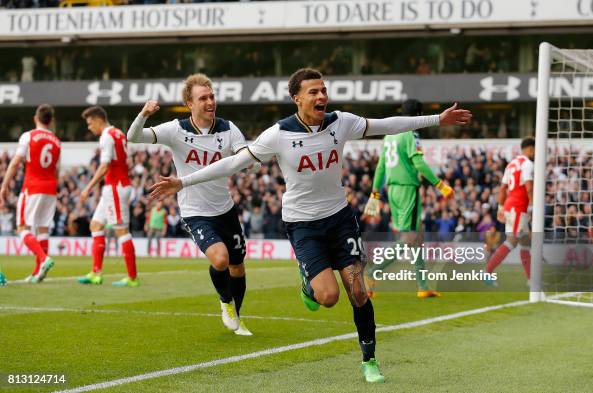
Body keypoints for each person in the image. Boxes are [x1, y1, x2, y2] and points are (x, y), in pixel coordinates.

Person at [148, 68, 471, 383]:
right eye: (313, 92)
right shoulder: (278, 134)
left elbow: (386, 124)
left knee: (358, 291)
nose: (321, 96)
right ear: (296, 99)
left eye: (323, 90)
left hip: (340, 219)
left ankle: (369, 360)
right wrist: (182, 181)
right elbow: (232, 163)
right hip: (303, 224)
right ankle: (308, 282)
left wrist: (436, 120)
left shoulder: (340, 123)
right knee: (328, 297)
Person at [127, 73, 255, 336]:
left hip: (226, 209)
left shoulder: (229, 129)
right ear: (190, 103)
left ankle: (238, 317)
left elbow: (245, 158)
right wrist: (144, 114)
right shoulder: (176, 130)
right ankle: (225, 303)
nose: (210, 102)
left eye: (212, 96)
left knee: (238, 267)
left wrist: (249, 160)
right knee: (220, 260)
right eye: (203, 98)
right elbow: (134, 136)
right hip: (195, 211)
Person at [363, 99, 454, 299]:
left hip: (393, 190)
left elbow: (381, 167)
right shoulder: (411, 133)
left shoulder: (389, 136)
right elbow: (419, 162)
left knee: (416, 237)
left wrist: (375, 193)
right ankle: (371, 273)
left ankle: (423, 285)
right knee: (409, 239)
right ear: (419, 115)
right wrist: (440, 185)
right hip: (407, 189)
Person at [77, 106, 138, 287]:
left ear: (97, 120)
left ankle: (132, 278)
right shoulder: (118, 133)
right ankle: (96, 273)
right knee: (95, 224)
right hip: (115, 187)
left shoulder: (106, 136)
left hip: (116, 188)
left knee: (121, 230)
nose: (89, 127)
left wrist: (87, 187)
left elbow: (104, 166)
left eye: (89, 123)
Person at [0, 104, 60, 283]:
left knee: (22, 228)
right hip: (50, 188)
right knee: (43, 229)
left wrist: (4, 185)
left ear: (36, 118)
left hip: (32, 187)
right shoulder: (57, 141)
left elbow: (16, 162)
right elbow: (56, 170)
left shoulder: (28, 136)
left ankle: (43, 259)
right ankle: (37, 272)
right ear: (51, 120)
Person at [484, 137, 535, 285]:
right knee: (512, 241)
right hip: (519, 207)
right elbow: (529, 187)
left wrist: (501, 208)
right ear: (530, 149)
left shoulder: (511, 164)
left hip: (510, 206)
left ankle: (531, 279)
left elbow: (502, 189)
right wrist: (532, 207)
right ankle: (487, 272)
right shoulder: (527, 164)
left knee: (525, 242)